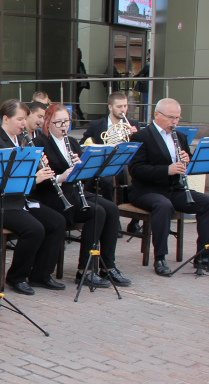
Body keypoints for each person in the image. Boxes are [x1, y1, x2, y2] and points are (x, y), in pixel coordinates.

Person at [0, 100, 67, 295]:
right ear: (5, 119)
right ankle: (16, 276)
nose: (24, 123)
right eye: (19, 119)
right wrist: (35, 179)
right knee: (34, 229)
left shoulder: (21, 141)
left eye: (25, 119)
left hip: (16, 201)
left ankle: (40, 274)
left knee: (57, 221)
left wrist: (40, 167)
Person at [33, 104, 128, 287]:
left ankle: (108, 266)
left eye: (66, 121)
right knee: (97, 212)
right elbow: (38, 181)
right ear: (48, 122)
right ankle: (85, 269)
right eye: (58, 122)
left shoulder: (73, 142)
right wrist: (62, 177)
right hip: (52, 196)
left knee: (112, 208)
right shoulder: (40, 143)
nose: (63, 126)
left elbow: (84, 175)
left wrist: (81, 169)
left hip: (74, 192)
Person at [128, 98, 209, 275]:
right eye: (171, 117)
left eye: (178, 118)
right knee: (163, 205)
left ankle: (203, 256)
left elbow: (187, 163)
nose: (175, 122)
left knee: (206, 202)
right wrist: (167, 170)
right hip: (146, 190)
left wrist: (187, 160)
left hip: (174, 189)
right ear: (157, 114)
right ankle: (160, 258)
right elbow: (136, 169)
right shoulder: (141, 136)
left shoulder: (179, 137)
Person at [79, 92, 142, 233]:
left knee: (138, 179)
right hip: (104, 164)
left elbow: (141, 149)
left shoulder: (133, 124)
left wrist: (136, 136)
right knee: (107, 181)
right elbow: (84, 143)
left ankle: (134, 221)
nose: (123, 110)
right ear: (110, 107)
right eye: (119, 106)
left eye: (125, 106)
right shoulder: (97, 125)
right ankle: (113, 218)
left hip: (125, 164)